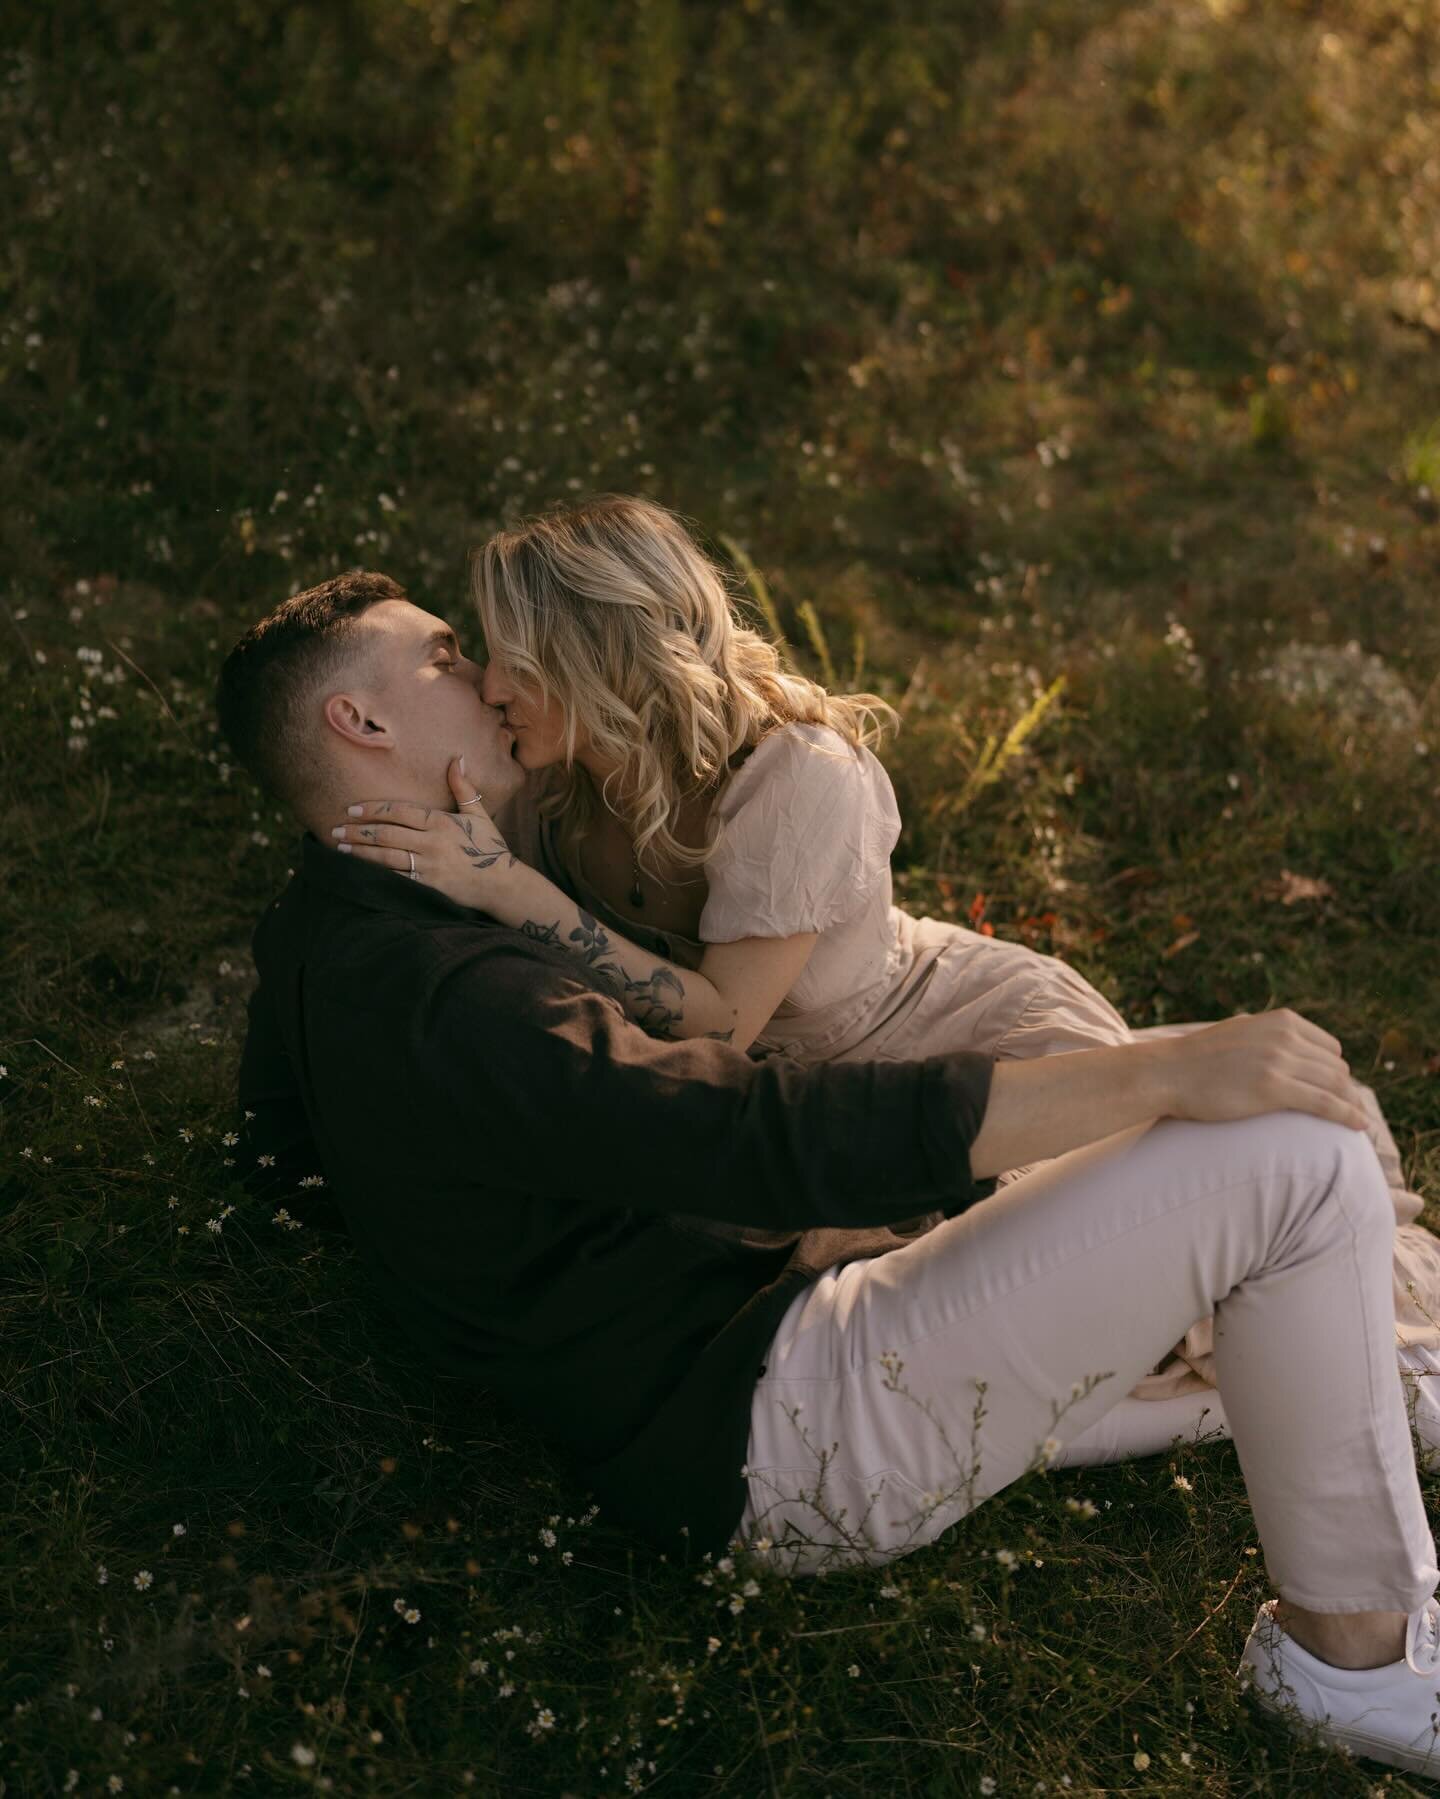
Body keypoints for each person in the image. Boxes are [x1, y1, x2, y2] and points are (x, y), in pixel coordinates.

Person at [219, 568, 1440, 1780]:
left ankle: (1344, 1381)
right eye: (440, 655)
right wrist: (1160, 1074)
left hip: (764, 1356)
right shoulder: (447, 997)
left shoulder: (327, 918)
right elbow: (751, 1139)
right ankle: (1353, 1666)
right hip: (783, 1423)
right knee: (1296, 1157)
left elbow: (276, 1153)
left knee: (1262, 1251)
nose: (481, 676)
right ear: (360, 722)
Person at [325, 494, 1440, 1475]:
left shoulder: (793, 778)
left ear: (596, 656)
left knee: (1149, 1269)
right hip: (807, 1098)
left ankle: (1388, 1367)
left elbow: (721, 1021)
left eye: (509, 655)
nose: (489, 682)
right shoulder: (564, 781)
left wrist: (518, 895)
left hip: (944, 1027)